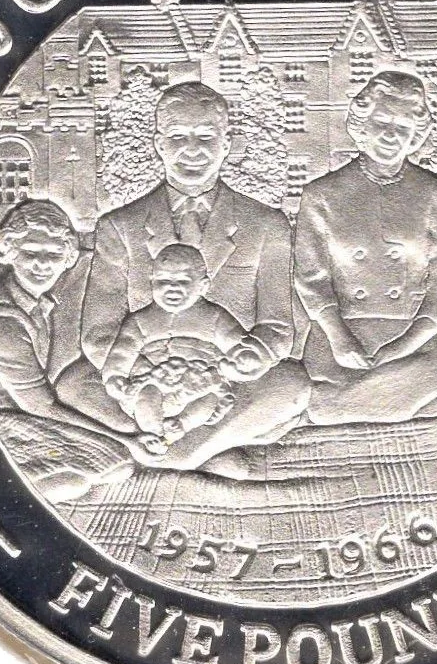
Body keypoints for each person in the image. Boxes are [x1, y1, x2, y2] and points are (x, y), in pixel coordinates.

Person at [57, 82, 310, 470]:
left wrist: (253, 357)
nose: (192, 150)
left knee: (292, 384)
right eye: (178, 136)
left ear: (226, 144)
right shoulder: (119, 226)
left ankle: (168, 453)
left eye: (206, 137)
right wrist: (150, 376)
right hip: (143, 377)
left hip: (224, 377)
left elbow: (277, 328)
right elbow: (99, 332)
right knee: (72, 386)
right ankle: (205, 450)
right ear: (159, 144)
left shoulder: (268, 224)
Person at [294, 69, 437, 425]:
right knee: (327, 392)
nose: (390, 134)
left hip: (414, 338)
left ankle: (345, 407)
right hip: (339, 338)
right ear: (362, 123)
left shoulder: (433, 193)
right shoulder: (321, 195)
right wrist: (339, 339)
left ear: (416, 134)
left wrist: (403, 346)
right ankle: (368, 405)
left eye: (403, 126)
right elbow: (311, 279)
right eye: (382, 121)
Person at [0, 200, 136, 503]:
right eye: (31, 252)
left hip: (20, 415)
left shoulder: (35, 304)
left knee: (115, 465)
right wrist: (128, 440)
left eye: (53, 254)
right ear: (10, 251)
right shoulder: (2, 321)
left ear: (67, 258)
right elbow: (40, 406)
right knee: (112, 463)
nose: (42, 264)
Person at [102, 243, 251, 449]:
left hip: (199, 382)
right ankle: (153, 435)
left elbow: (238, 347)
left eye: (183, 281)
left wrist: (244, 360)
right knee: (146, 396)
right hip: (153, 379)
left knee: (208, 399)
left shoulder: (215, 318)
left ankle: (182, 425)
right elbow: (122, 351)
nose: (172, 287)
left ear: (203, 285)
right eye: (163, 280)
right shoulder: (140, 321)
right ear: (152, 282)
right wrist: (114, 376)